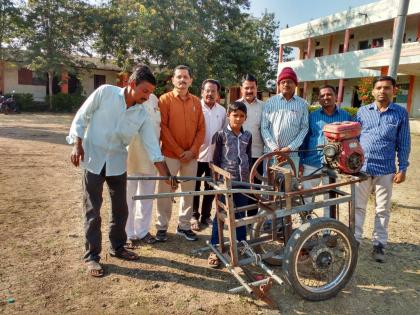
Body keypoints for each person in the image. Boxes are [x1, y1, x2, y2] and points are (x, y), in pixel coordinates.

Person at [67, 65, 176, 277]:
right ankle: (92, 257)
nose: (147, 97)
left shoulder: (141, 114)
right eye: (144, 91)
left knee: (121, 210)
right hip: (93, 159)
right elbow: (82, 116)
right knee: (93, 210)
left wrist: (167, 174)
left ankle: (117, 247)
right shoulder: (105, 92)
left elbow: (152, 146)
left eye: (150, 93)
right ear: (131, 84)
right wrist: (76, 143)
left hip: (117, 162)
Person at [355, 75, 411, 263]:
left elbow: (404, 142)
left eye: (387, 88)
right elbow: (354, 139)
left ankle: (379, 244)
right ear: (372, 91)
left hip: (386, 169)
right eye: (378, 88)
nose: (382, 91)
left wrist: (402, 168)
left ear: (393, 91)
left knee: (382, 209)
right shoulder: (362, 112)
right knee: (358, 207)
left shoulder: (400, 114)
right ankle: (354, 240)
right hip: (362, 168)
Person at [156, 65, 205, 242]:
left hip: (191, 158)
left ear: (191, 80)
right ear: (173, 80)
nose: (182, 80)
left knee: (188, 192)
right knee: (165, 191)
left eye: (186, 77)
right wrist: (179, 151)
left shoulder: (196, 102)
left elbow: (201, 129)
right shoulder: (165, 100)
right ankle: (161, 227)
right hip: (170, 154)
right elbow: (163, 128)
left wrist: (192, 151)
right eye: (179, 77)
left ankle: (184, 226)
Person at [207, 101, 252, 268]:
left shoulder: (247, 135)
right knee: (221, 215)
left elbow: (248, 156)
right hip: (225, 183)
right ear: (228, 116)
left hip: (243, 182)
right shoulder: (220, 135)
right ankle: (215, 248)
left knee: (240, 214)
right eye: (235, 115)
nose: (238, 119)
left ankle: (241, 245)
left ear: (245, 118)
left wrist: (249, 180)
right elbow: (214, 162)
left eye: (241, 116)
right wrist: (218, 182)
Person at [300, 85, 352, 216]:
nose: (325, 98)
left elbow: (351, 139)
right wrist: (301, 160)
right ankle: (307, 223)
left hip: (335, 164)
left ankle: (327, 230)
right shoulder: (312, 116)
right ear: (319, 99)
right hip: (312, 162)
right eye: (322, 96)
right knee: (306, 196)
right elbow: (305, 139)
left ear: (336, 97)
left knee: (330, 198)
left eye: (329, 94)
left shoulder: (346, 117)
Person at [125, 93, 160, 247]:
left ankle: (142, 231)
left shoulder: (154, 99)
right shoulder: (127, 97)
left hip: (151, 156)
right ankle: (126, 233)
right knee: (128, 197)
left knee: (146, 197)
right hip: (130, 154)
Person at [192, 79, 226, 231]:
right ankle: (194, 215)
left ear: (218, 94)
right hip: (196, 155)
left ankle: (206, 216)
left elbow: (224, 134)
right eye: (207, 90)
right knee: (194, 186)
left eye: (214, 91)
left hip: (214, 157)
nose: (210, 94)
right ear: (202, 92)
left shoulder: (222, 111)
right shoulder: (194, 106)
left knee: (210, 187)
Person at [261, 67, 309, 173]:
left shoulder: (302, 104)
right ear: (279, 84)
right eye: (283, 82)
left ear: (295, 84)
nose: (286, 84)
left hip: (291, 155)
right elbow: (264, 127)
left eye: (290, 82)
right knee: (268, 185)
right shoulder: (270, 102)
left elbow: (304, 128)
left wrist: (290, 148)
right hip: (271, 154)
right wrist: (275, 149)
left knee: (289, 185)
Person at [237, 74, 265, 216]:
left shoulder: (263, 107)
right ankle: (240, 219)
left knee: (255, 189)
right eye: (246, 88)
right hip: (239, 155)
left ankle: (252, 220)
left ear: (256, 88)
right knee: (240, 188)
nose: (249, 91)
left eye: (252, 88)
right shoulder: (236, 106)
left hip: (257, 155)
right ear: (242, 88)